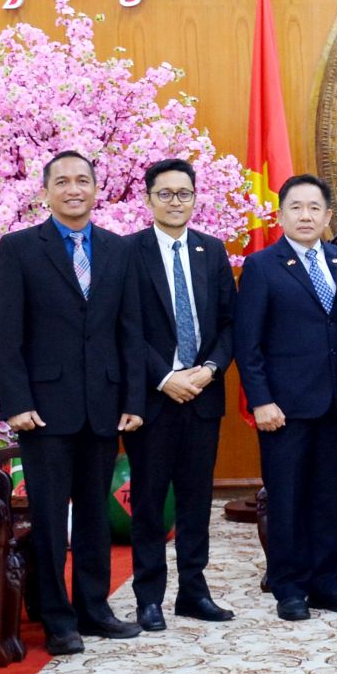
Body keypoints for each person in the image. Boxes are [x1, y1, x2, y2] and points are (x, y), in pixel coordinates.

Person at [0, 150, 146, 655]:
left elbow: (130, 332)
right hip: (44, 409)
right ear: (46, 191)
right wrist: (15, 403)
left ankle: (94, 609)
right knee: (51, 518)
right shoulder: (19, 248)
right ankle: (58, 619)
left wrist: (133, 399)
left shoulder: (117, 250)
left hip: (103, 403)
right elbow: (5, 334)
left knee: (97, 516)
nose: (73, 189)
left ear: (96, 189)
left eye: (83, 180)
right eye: (63, 181)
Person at [235, 174, 337, 622]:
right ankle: (289, 587)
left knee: (328, 496)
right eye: (297, 207)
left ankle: (328, 583)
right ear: (281, 214)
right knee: (287, 498)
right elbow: (247, 343)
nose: (306, 215)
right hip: (283, 407)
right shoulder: (261, 266)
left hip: (333, 401)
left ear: (329, 216)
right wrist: (261, 400)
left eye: (315, 207)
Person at [125, 159, 237, 630]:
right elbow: (125, 328)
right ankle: (148, 596)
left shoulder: (212, 252)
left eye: (184, 194)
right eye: (166, 194)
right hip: (154, 399)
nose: (176, 202)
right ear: (148, 198)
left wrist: (208, 370)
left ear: (195, 198)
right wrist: (166, 376)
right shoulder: (128, 253)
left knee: (196, 500)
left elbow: (230, 324)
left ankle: (194, 590)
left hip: (204, 394)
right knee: (150, 502)